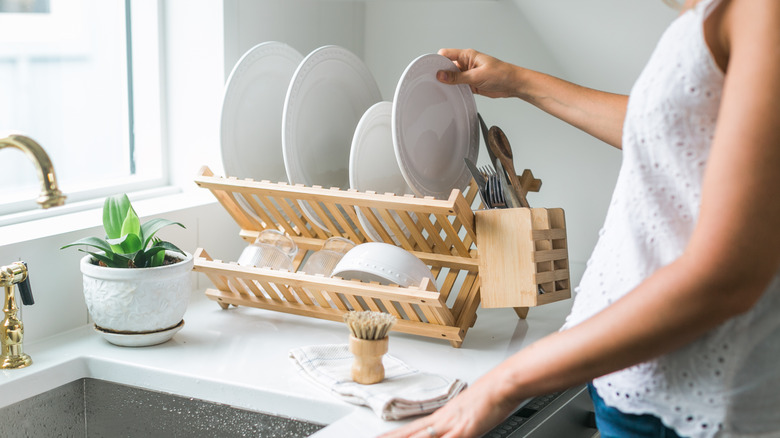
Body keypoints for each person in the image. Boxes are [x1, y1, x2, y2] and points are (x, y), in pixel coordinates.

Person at [380, 0, 780, 437]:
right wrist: (517, 81)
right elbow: (665, 126)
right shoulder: (707, 19)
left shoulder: (761, 12)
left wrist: (502, 385)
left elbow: (729, 276)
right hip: (636, 390)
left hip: (687, 409)